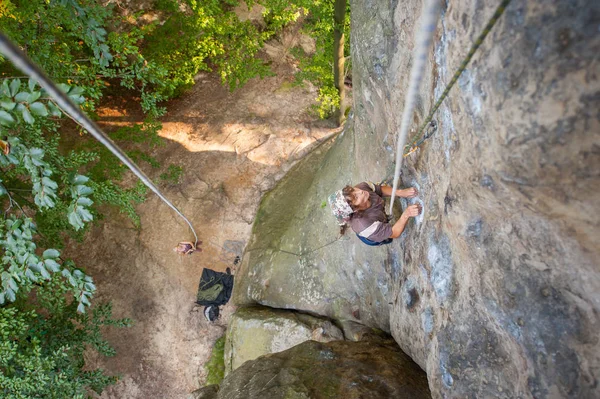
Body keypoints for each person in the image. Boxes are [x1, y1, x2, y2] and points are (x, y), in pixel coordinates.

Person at [330, 182, 421, 246]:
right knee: (387, 239)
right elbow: (395, 233)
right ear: (355, 210)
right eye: (356, 197)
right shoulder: (365, 225)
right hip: (369, 234)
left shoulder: (362, 187)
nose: (360, 191)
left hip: (373, 220)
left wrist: (400, 192)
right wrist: (406, 214)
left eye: (353, 190)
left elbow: (379, 189)